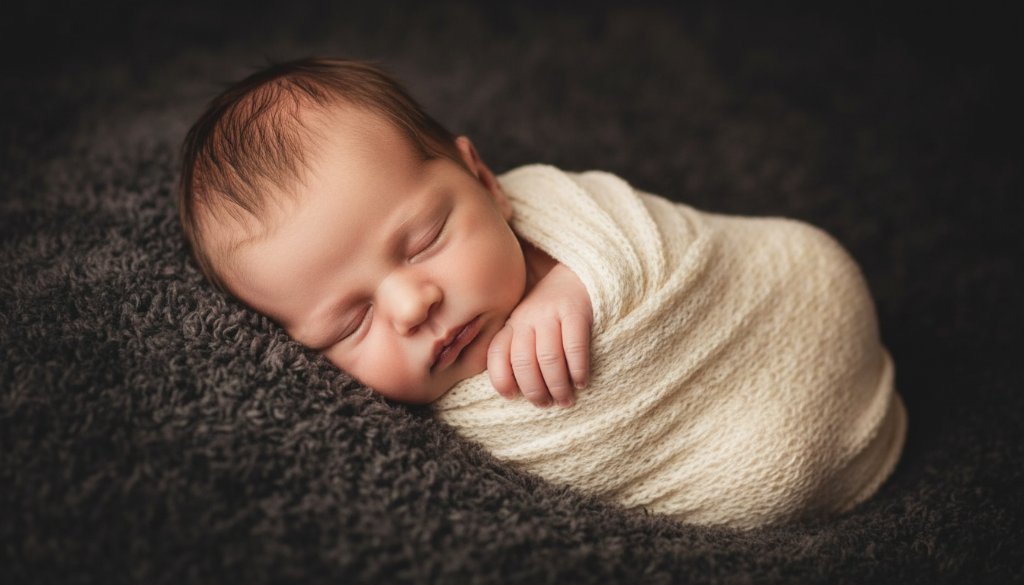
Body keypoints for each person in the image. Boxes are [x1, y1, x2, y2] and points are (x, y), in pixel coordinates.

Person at [178, 58, 906, 528]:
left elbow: (656, 239)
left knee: (817, 258)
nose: (411, 306)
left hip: (784, 300)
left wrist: (576, 280)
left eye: (426, 237)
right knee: (763, 478)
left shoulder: (555, 210)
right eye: (350, 321)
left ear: (485, 179)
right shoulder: (417, 439)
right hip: (743, 455)